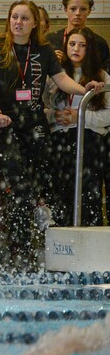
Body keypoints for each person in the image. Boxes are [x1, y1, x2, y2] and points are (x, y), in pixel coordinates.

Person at [0, 0, 103, 270]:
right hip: (6, 123)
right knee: (19, 188)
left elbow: (61, 80)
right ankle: (19, 250)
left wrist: (85, 89)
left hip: (34, 124)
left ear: (35, 23)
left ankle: (51, 246)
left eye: (24, 18)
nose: (18, 22)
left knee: (47, 181)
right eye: (14, 17)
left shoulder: (43, 49)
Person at [43, 27, 110, 227]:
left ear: (90, 50)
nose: (76, 49)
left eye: (82, 45)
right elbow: (42, 109)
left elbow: (108, 114)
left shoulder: (102, 77)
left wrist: (80, 117)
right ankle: (61, 240)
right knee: (62, 191)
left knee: (89, 194)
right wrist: (54, 116)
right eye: (72, 44)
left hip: (90, 141)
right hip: (60, 140)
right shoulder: (53, 76)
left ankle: (90, 241)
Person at [46, 0, 109, 68]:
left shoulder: (99, 44)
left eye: (83, 9)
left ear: (89, 11)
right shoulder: (50, 41)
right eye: (73, 9)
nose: (78, 13)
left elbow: (104, 77)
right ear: (65, 10)